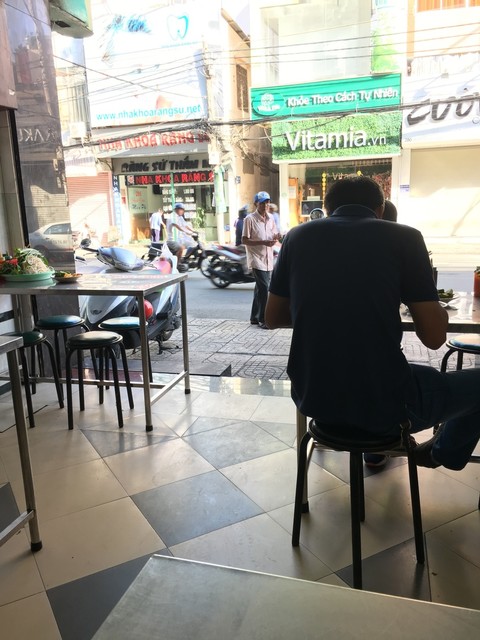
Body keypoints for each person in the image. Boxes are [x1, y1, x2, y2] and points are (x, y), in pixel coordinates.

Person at [265, 175, 480, 472]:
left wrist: (324, 310)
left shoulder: (297, 237)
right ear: (380, 209)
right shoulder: (405, 237)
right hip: (388, 407)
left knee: (380, 371)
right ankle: (440, 454)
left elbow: (272, 317)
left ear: (326, 209)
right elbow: (433, 338)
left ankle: (378, 450)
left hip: (314, 399)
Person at [242, 191, 281, 329]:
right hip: (256, 258)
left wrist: (277, 236)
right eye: (262, 203)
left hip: (268, 258)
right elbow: (245, 240)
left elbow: (273, 234)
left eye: (267, 202)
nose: (265, 205)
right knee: (264, 288)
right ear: (256, 204)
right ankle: (263, 319)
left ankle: (254, 317)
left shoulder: (271, 218)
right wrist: (263, 242)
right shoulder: (249, 219)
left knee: (259, 289)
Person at [166, 202, 196, 271]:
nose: (183, 211)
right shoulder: (172, 216)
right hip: (172, 240)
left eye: (183, 210)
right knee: (181, 248)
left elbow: (186, 225)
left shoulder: (180, 217)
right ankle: (177, 264)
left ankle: (185, 260)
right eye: (181, 209)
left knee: (192, 244)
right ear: (177, 209)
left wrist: (194, 231)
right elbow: (178, 226)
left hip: (179, 239)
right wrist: (187, 232)